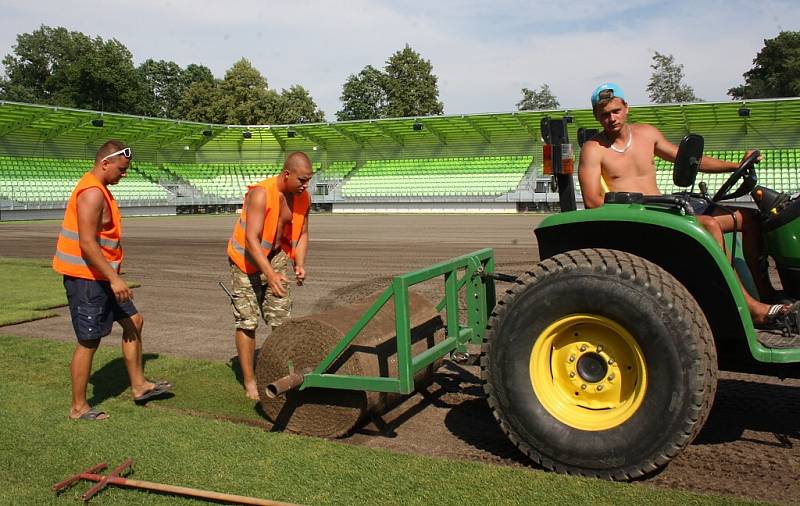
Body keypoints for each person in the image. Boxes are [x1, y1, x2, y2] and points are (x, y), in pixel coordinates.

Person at [578, 83, 797, 329]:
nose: (611, 118)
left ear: (626, 108)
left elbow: (692, 160)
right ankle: (750, 309)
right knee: (710, 225)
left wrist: (736, 165)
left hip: (664, 208)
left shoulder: (647, 134)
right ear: (597, 116)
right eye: (605, 114)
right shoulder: (593, 149)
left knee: (748, 219)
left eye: (616, 111)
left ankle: (764, 293)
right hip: (637, 217)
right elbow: (592, 201)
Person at [53, 140, 172, 421]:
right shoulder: (92, 193)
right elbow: (86, 243)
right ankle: (78, 407)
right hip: (86, 277)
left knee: (135, 321)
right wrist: (114, 279)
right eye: (121, 169)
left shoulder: (102, 190)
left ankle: (139, 386)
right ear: (105, 163)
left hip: (101, 276)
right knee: (89, 340)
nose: (124, 174)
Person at [227, 152, 313, 399]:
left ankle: (284, 372)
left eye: (308, 180)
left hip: (275, 256)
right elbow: (251, 240)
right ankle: (250, 381)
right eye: (302, 180)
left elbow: (303, 233)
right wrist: (269, 274)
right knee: (247, 321)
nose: (305, 185)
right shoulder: (261, 194)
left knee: (281, 319)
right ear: (287, 174)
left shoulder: (302, 197)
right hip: (245, 260)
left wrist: (299, 262)